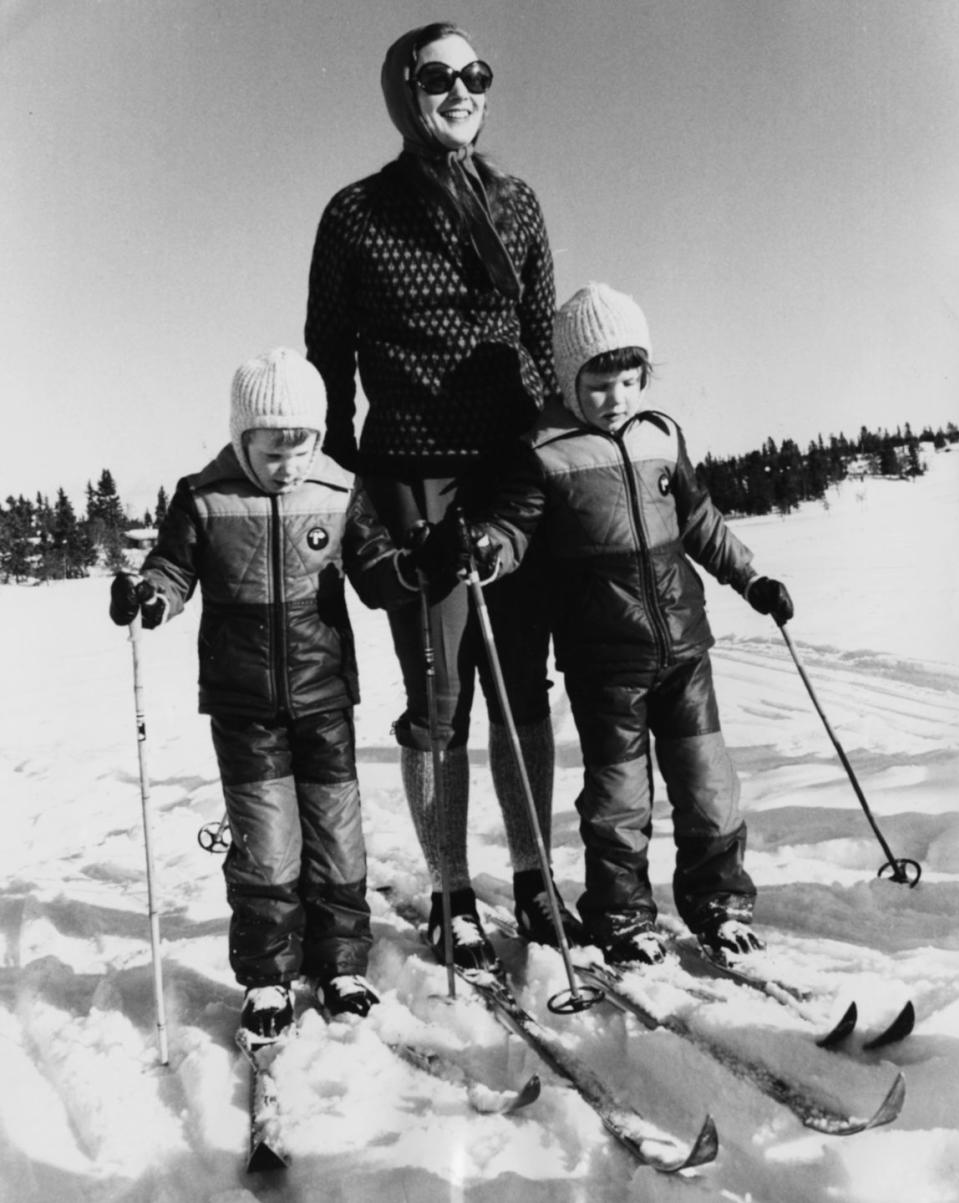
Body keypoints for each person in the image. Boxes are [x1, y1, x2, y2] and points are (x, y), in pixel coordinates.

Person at [304, 22, 576, 969]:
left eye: (477, 74)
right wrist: (353, 506)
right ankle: (450, 892)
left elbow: (541, 348)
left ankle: (538, 880)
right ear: (402, 92)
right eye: (438, 77)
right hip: (411, 481)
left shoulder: (518, 203)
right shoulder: (356, 215)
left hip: (508, 480)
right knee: (438, 702)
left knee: (521, 691)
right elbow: (328, 368)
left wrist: (537, 475)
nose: (462, 90)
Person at [431, 283, 794, 967]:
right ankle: (623, 915)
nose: (617, 396)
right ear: (569, 379)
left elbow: (700, 523)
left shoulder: (661, 437)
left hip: (684, 648)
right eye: (600, 383)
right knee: (618, 797)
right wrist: (485, 548)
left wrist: (753, 579)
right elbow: (514, 528)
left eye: (630, 379)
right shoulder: (544, 451)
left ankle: (720, 902)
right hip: (605, 660)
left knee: (709, 785)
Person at [109, 347, 418, 1039]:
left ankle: (340, 963)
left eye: (300, 445)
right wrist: (151, 598)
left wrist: (420, 567)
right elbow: (172, 569)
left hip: (324, 696)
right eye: (272, 449)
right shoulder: (205, 496)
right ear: (241, 436)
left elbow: (376, 570)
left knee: (338, 836)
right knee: (267, 844)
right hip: (243, 703)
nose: (289, 464)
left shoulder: (338, 491)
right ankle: (268, 976)